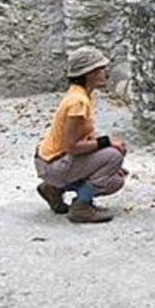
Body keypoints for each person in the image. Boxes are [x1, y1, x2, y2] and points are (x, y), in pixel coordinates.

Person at [34, 46, 128, 223]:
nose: (105, 72)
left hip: (53, 162)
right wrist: (107, 144)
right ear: (90, 73)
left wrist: (105, 164)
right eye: (101, 69)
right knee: (113, 156)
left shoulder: (82, 95)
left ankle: (53, 189)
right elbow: (72, 146)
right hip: (53, 163)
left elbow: (85, 136)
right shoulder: (78, 102)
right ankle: (81, 207)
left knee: (115, 180)